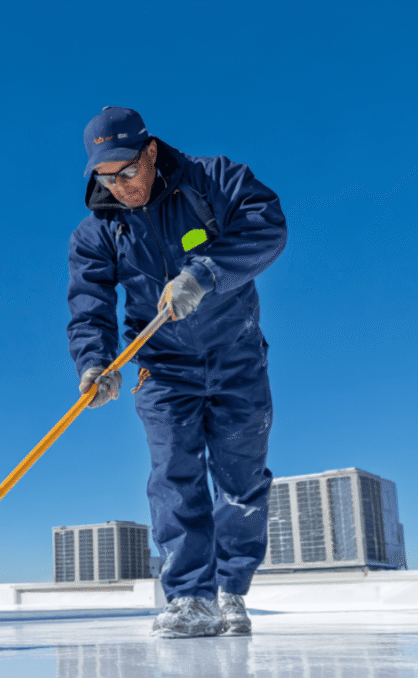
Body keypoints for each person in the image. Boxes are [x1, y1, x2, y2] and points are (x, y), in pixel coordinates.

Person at [67, 107, 287, 638]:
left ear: (148, 152)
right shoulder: (97, 232)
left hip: (235, 355)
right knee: (174, 476)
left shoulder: (214, 180)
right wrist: (95, 362)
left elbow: (268, 226)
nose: (119, 186)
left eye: (126, 171)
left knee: (241, 479)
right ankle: (190, 597)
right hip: (162, 369)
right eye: (105, 177)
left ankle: (232, 592)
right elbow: (89, 304)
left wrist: (205, 273)